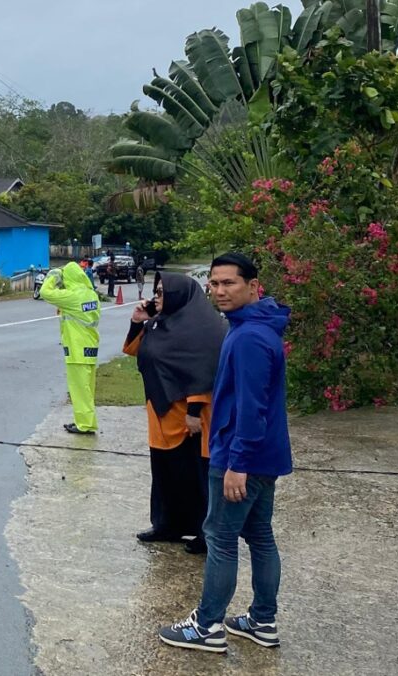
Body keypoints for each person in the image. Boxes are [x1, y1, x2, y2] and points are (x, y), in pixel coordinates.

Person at [158, 252, 293, 654]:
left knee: (220, 536)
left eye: (229, 283)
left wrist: (238, 463)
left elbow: (252, 408)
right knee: (259, 534)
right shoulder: (253, 326)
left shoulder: (250, 337)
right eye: (214, 284)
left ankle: (206, 625)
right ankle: (262, 620)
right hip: (261, 455)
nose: (219, 291)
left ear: (253, 286)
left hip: (242, 456)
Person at [123, 272, 226, 555]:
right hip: (161, 413)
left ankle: (205, 534)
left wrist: (194, 411)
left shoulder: (204, 328)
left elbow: (203, 371)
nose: (155, 297)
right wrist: (137, 322)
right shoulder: (159, 324)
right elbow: (135, 350)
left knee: (195, 475)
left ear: (179, 294)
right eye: (155, 291)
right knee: (165, 473)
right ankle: (167, 525)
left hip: (190, 419)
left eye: (161, 292)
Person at [37, 262, 101, 435]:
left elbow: (44, 292)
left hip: (77, 347)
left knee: (79, 388)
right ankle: (88, 421)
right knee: (87, 388)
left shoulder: (73, 296)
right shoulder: (91, 294)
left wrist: (53, 276)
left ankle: (84, 425)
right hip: (90, 345)